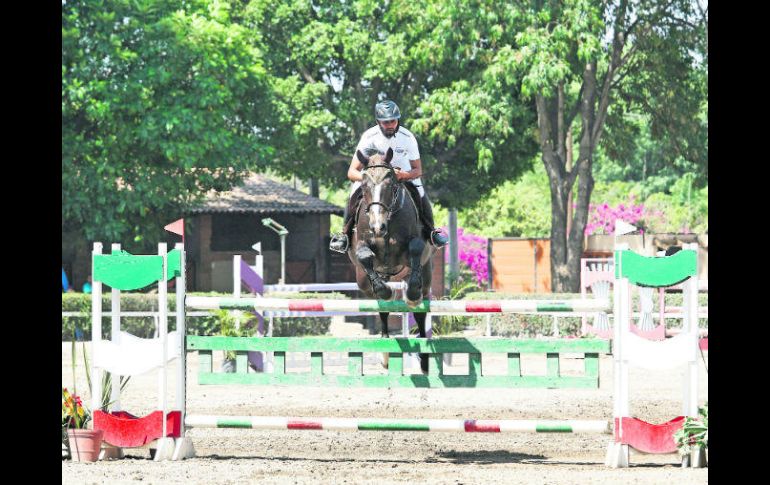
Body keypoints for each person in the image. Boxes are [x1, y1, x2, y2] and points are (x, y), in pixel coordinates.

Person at [329, 100, 448, 253]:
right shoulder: (369, 137)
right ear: (378, 121)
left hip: (403, 174)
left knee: (421, 192)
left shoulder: (407, 137)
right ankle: (344, 235)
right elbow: (352, 172)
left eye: (393, 120)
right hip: (373, 178)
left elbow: (417, 170)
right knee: (353, 192)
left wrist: (404, 175)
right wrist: (368, 178)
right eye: (385, 122)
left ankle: (432, 231)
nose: (390, 124)